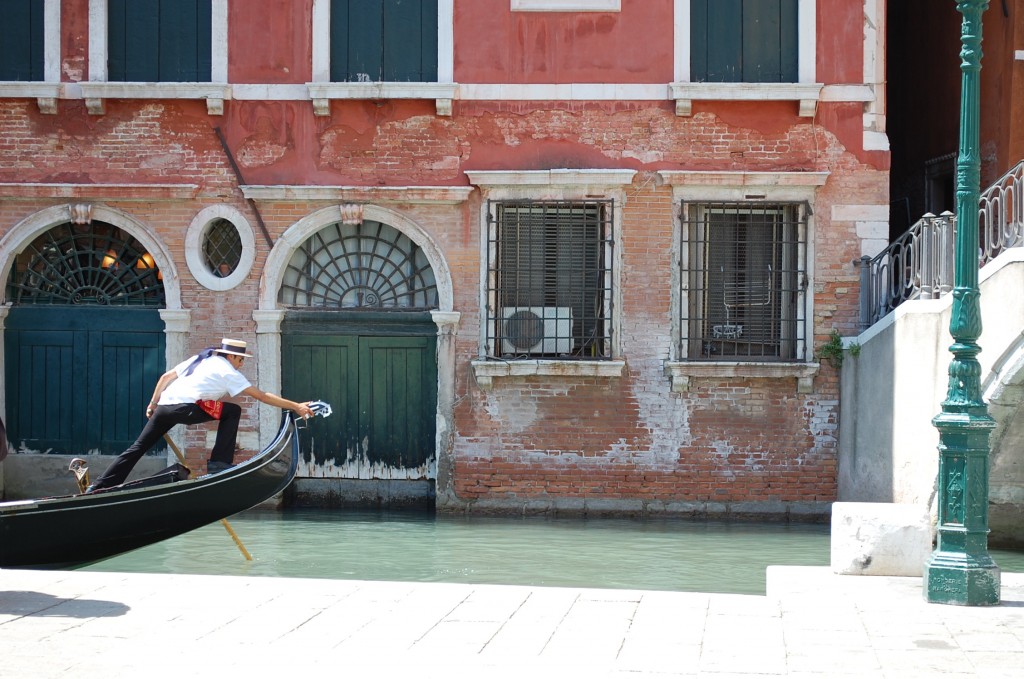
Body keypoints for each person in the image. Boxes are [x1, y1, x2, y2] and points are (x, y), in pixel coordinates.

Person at [87, 338, 314, 492]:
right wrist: (296, 406)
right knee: (233, 411)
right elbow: (262, 396)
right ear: (231, 357)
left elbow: (165, 378)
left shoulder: (200, 359)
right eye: (241, 359)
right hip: (185, 408)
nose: (242, 363)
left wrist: (153, 404)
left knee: (137, 447)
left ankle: (100, 486)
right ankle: (219, 464)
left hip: (165, 407)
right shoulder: (227, 371)